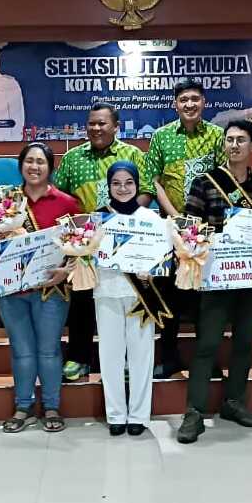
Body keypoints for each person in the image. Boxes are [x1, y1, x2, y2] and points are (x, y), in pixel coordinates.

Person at [177, 119, 252, 444]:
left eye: (241, 140)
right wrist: (205, 242)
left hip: (251, 277)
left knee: (244, 342)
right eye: (230, 140)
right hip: (217, 275)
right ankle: (194, 411)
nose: (234, 145)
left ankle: (234, 402)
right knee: (207, 344)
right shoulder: (205, 182)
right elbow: (189, 227)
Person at [53, 102, 155, 382]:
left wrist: (124, 220)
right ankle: (79, 358)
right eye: (92, 123)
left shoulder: (132, 154)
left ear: (116, 127)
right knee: (82, 299)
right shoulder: (73, 158)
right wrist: (75, 237)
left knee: (126, 297)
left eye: (102, 123)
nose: (96, 128)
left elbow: (146, 191)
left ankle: (127, 360)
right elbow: (61, 198)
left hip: (125, 241)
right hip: (85, 244)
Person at [145, 78, 227, 377]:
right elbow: (153, 181)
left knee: (206, 299)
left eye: (195, 99)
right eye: (183, 100)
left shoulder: (218, 135)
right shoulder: (161, 137)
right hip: (171, 228)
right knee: (170, 296)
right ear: (175, 104)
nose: (189, 104)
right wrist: (177, 218)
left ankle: (208, 360)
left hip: (208, 229)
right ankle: (169, 358)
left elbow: (224, 178)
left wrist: (199, 223)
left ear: (204, 102)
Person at [0, 142, 79, 433]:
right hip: (12, 291)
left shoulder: (67, 203)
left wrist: (65, 272)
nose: (34, 167)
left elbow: (80, 248)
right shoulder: (5, 203)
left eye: (40, 162)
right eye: (29, 161)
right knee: (21, 351)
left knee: (48, 350)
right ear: (21, 166)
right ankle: (24, 406)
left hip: (50, 290)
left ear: (50, 167)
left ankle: (52, 406)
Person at [94, 161, 171, 436]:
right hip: (106, 291)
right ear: (108, 186)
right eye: (116, 183)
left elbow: (164, 258)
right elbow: (88, 255)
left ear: (137, 185)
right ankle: (115, 415)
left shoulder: (152, 219)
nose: (123, 188)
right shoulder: (99, 218)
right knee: (110, 356)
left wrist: (153, 271)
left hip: (141, 295)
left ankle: (139, 415)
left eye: (129, 183)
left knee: (141, 356)